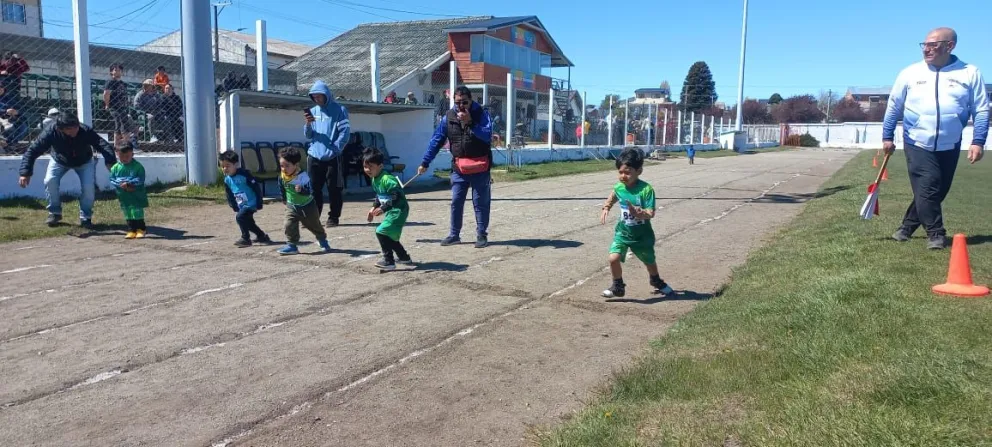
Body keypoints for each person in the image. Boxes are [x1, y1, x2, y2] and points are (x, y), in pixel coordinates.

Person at [882, 27, 989, 250]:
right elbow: (894, 106)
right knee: (929, 184)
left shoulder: (969, 72)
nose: (927, 49)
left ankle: (906, 227)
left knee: (937, 190)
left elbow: (981, 109)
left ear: (950, 46)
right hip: (917, 140)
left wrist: (978, 140)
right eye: (925, 45)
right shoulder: (910, 73)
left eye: (933, 45)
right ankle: (936, 234)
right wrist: (887, 135)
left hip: (951, 142)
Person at [418, 86, 493, 248]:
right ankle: (454, 235)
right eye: (457, 102)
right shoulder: (448, 117)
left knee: (480, 202)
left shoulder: (481, 114)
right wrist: (425, 161)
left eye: (465, 102)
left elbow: (487, 136)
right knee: (456, 202)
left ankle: (481, 234)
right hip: (459, 167)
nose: (461, 106)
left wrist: (470, 122)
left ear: (471, 99)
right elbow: (437, 140)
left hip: (480, 166)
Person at [18, 112, 117, 227]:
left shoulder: (85, 130)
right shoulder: (50, 132)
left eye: (76, 126)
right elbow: (32, 151)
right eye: (70, 128)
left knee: (89, 187)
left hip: (84, 161)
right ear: (60, 129)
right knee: (50, 181)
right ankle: (54, 213)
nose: (75, 130)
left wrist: (110, 162)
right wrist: (25, 173)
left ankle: (86, 217)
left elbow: (103, 145)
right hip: (59, 160)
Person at [598, 148, 674, 298]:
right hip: (623, 232)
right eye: (620, 172)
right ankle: (618, 286)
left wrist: (640, 213)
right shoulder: (619, 187)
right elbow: (614, 194)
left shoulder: (646, 190)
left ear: (639, 171)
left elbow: (651, 213)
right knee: (613, 258)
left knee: (649, 261)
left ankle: (656, 280)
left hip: (642, 235)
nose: (623, 176)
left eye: (627, 172)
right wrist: (606, 207)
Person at [304, 80, 351, 227]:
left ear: (327, 95)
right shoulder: (313, 111)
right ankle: (313, 217)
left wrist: (336, 149)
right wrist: (308, 124)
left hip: (333, 156)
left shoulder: (340, 110)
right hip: (314, 155)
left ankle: (333, 217)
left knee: (334, 188)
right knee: (313, 188)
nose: (317, 99)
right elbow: (308, 135)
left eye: (319, 96)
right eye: (314, 97)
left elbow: (345, 133)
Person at [363, 147, 413, 270]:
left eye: (371, 167)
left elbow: (396, 196)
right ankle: (404, 257)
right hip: (392, 210)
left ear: (380, 166)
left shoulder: (387, 179)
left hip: (399, 210)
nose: (367, 170)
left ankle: (389, 261)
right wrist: (373, 208)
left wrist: (383, 208)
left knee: (381, 231)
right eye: (365, 166)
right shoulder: (375, 179)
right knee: (389, 235)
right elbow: (379, 196)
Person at [276, 146, 332, 255]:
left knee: (314, 225)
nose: (283, 168)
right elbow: (281, 187)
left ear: (296, 165)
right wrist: (284, 199)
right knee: (288, 224)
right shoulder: (282, 176)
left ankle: (322, 240)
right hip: (292, 206)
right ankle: (292, 245)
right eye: (281, 165)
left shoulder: (303, 177)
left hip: (307, 206)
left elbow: (310, 190)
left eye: (287, 166)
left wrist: (302, 190)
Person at [219, 150, 270, 247]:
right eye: (222, 166)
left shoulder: (244, 174)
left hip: (251, 203)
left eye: (228, 166)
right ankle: (261, 236)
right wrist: (233, 205)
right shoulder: (227, 180)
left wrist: (259, 202)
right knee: (249, 222)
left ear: (236, 164)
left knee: (240, 217)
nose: (225, 169)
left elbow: (256, 188)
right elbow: (229, 194)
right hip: (242, 205)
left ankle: (245, 238)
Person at [108, 144, 148, 239]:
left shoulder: (138, 167)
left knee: (137, 211)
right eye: (121, 156)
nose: (124, 158)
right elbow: (112, 179)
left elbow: (141, 179)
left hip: (135, 193)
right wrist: (120, 184)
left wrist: (129, 183)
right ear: (117, 154)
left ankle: (141, 229)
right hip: (123, 194)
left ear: (132, 154)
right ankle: (131, 229)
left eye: (127, 156)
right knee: (127, 211)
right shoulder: (115, 168)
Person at [104, 63, 139, 149]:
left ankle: (116, 146)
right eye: (115, 70)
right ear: (111, 72)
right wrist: (107, 105)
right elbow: (106, 94)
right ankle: (127, 145)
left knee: (119, 126)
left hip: (123, 107)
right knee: (122, 123)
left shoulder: (123, 84)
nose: (118, 72)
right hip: (114, 107)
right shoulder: (110, 82)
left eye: (119, 70)